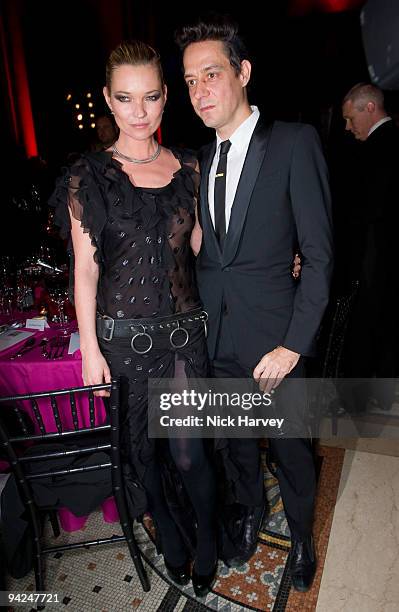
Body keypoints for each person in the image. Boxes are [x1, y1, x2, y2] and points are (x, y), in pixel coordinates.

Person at [49, 40, 218, 597]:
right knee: (143, 457)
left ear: (166, 97)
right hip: (120, 343)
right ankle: (168, 531)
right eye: (125, 98)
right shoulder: (88, 177)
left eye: (150, 97)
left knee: (190, 453)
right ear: (108, 99)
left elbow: (201, 249)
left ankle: (208, 536)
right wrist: (90, 350)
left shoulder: (191, 166)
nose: (139, 112)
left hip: (183, 337)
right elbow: (86, 271)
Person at [175, 15, 333, 592]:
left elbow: (317, 256)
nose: (200, 91)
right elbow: (208, 251)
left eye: (211, 74)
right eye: (190, 81)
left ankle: (302, 537)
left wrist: (294, 345)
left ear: (243, 72)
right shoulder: (198, 160)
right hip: (216, 340)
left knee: (291, 452)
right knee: (236, 445)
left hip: (276, 343)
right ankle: (247, 517)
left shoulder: (294, 143)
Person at [339, 83, 399, 409]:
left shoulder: (376, 149)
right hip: (386, 261)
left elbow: (365, 215)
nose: (349, 127)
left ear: (370, 108)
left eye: (351, 119)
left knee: (364, 327)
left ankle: (356, 402)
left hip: (372, 259)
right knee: (387, 327)